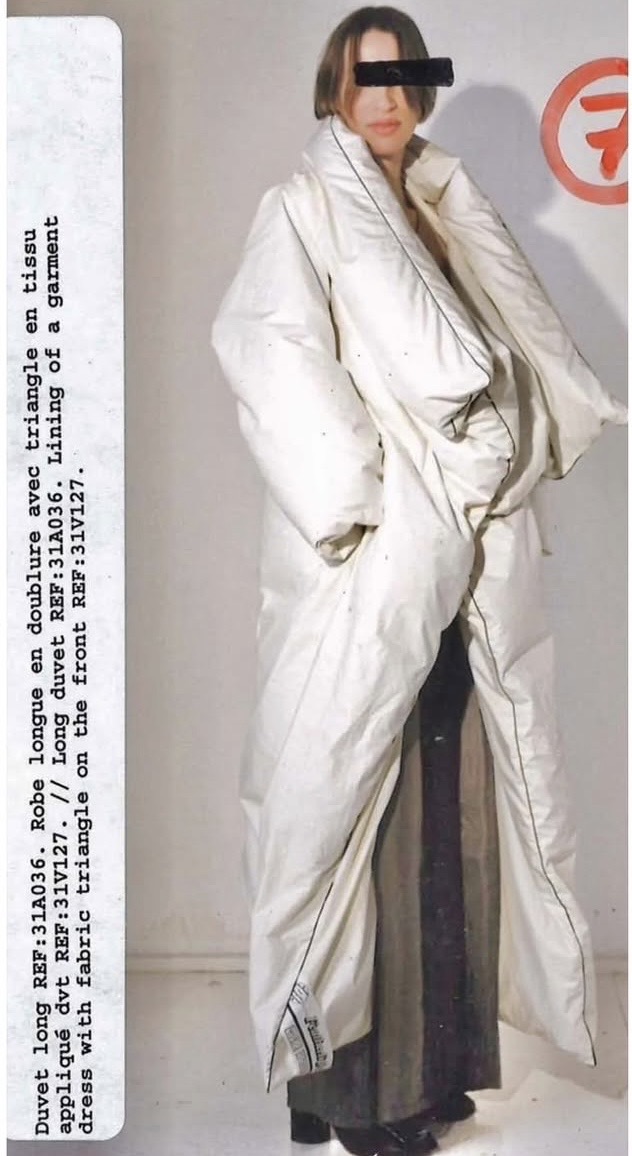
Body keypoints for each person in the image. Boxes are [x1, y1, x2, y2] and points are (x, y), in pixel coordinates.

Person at [211, 8, 626, 1155]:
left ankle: (423, 1072)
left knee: (443, 810)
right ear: (333, 91)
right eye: (365, 79)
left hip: (463, 574)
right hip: (374, 569)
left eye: (401, 78)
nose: (385, 99)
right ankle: (361, 1095)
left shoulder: (443, 212)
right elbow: (271, 355)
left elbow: (511, 363)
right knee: (353, 810)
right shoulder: (300, 209)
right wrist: (364, 504)